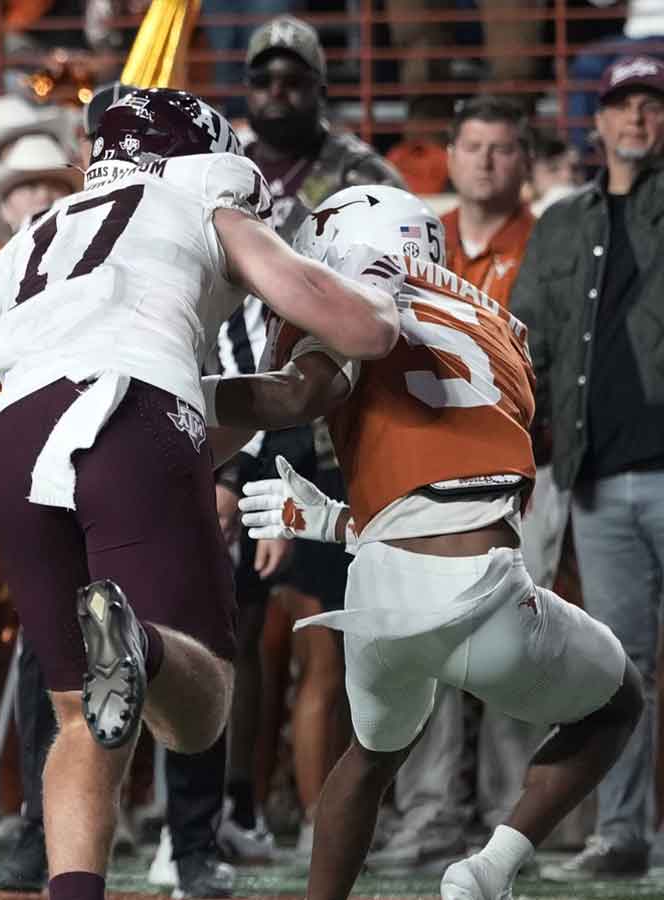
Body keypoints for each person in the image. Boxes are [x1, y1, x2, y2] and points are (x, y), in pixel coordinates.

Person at [0, 88, 401, 900]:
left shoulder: (30, 239)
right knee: (198, 711)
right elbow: (359, 330)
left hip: (13, 441)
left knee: (81, 716)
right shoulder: (193, 204)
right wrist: (383, 296)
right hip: (134, 413)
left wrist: (288, 392)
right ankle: (143, 643)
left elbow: (122, 386)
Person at [210, 182, 643, 900]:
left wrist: (170, 395)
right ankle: (488, 871)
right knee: (620, 699)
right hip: (485, 592)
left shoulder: (355, 296)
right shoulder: (495, 323)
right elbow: (455, 487)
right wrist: (331, 521)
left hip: (380, 600)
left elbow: (297, 396)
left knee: (370, 759)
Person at [364, 97, 546, 875]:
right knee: (427, 641)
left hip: (517, 467)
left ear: (524, 160)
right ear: (450, 154)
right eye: (472, 146)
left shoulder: (548, 240)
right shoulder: (418, 240)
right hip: (427, 464)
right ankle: (431, 812)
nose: (485, 162)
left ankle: (517, 821)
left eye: (502, 148)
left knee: (517, 644)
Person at [241, 17, 406, 857]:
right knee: (250, 634)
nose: (279, 92)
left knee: (328, 632)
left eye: (294, 79)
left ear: (319, 87)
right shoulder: (219, 173)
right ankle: (239, 810)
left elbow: (391, 294)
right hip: (251, 407)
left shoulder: (365, 174)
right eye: (265, 79)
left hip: (336, 421)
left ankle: (320, 818)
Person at [513, 54, 664, 882]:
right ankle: (622, 834)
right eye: (624, 106)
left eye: (652, 105)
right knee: (622, 670)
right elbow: (524, 339)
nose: (639, 119)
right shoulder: (563, 223)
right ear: (597, 122)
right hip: (597, 480)